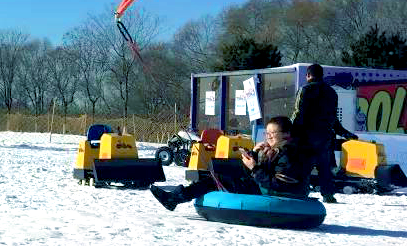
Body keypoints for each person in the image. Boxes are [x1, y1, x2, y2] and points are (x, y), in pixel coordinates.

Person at [149, 116, 307, 212]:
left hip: (276, 193)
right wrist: (253, 154)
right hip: (264, 185)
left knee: (217, 180)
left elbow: (278, 183)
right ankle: (176, 197)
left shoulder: (289, 154)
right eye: (267, 133)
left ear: (286, 134)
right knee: (218, 173)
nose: (269, 137)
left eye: (273, 133)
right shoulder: (274, 150)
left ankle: (174, 198)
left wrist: (254, 167)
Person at [292, 63, 356, 204]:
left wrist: (290, 131)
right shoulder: (332, 93)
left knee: (304, 166)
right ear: (322, 76)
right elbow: (333, 118)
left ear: (308, 75)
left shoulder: (305, 90)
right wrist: (344, 133)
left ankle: (301, 193)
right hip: (325, 137)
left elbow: (298, 114)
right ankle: (328, 195)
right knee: (324, 167)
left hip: (306, 136)